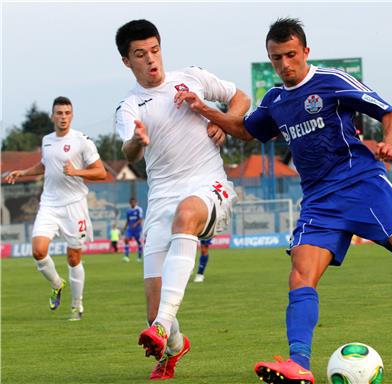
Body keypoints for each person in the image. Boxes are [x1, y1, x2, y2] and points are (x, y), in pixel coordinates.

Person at [183, 18, 392, 384]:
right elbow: (245, 130)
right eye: (276, 58)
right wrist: (205, 109)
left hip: (361, 183)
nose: (284, 64)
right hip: (319, 201)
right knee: (300, 276)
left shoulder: (332, 82)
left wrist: (389, 142)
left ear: (306, 51)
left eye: (291, 55)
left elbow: (390, 114)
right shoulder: (275, 101)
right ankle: (299, 364)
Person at [114, 19, 250, 380]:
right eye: (141, 55)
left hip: (208, 186)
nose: (151, 60)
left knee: (187, 213)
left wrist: (225, 120)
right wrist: (137, 141)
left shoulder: (193, 76)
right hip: (161, 198)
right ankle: (173, 345)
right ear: (127, 61)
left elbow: (241, 98)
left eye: (155, 50)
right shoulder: (129, 107)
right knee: (154, 306)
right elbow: (128, 152)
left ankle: (159, 328)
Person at [5, 96, 107, 321]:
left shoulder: (82, 141)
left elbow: (101, 172)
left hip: (74, 206)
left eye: (67, 113)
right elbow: (45, 164)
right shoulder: (47, 140)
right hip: (49, 203)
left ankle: (76, 305)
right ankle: (56, 283)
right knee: (38, 251)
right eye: (59, 113)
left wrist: (77, 172)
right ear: (53, 116)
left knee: (73, 258)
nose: (63, 117)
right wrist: (24, 172)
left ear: (72, 115)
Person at [122, 197, 144, 262]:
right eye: (131, 202)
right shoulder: (128, 211)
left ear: (136, 202)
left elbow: (140, 219)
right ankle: (126, 257)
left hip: (137, 228)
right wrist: (124, 228)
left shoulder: (139, 209)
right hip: (130, 229)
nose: (133, 203)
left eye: (134, 202)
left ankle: (139, 257)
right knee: (126, 239)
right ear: (130, 203)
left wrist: (136, 224)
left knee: (138, 242)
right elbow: (128, 220)